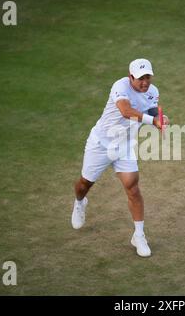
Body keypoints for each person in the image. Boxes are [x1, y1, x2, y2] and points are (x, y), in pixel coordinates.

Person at [71, 58, 169, 257]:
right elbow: (126, 111)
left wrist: (160, 118)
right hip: (101, 144)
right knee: (84, 184)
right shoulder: (120, 86)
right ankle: (80, 203)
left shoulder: (153, 91)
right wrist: (153, 120)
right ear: (130, 77)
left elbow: (151, 109)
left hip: (124, 146)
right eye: (140, 78)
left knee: (133, 188)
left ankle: (139, 236)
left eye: (147, 77)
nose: (145, 82)